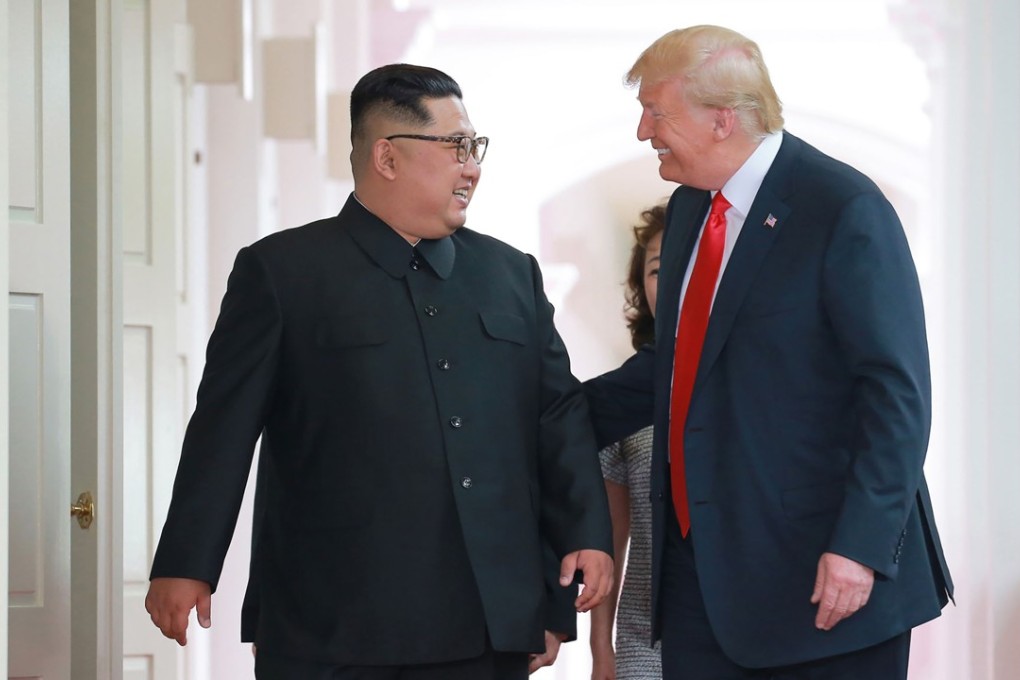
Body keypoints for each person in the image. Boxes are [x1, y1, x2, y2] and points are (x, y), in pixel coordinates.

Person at [144, 63, 615, 680]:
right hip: (331, 624)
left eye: (474, 147)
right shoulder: (282, 272)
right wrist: (186, 562)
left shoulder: (511, 274)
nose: (472, 167)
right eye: (455, 146)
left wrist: (580, 545)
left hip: (488, 620)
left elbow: (557, 419)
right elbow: (223, 429)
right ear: (387, 157)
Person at [583, 26, 953, 680]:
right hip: (703, 583)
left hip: (825, 580)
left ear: (722, 119)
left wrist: (859, 548)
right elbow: (678, 367)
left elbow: (895, 393)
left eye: (656, 112)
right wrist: (531, 412)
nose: (643, 132)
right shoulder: (691, 208)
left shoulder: (842, 207)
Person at [590, 204, 666, 680]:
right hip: (644, 640)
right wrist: (602, 649)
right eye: (656, 269)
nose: (669, 280)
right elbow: (610, 539)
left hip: (744, 638)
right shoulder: (617, 403)